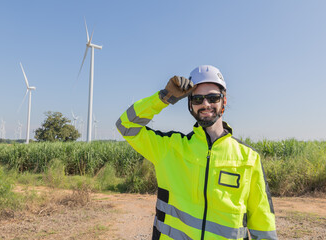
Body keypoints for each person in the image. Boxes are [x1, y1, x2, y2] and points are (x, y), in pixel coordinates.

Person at [116, 65, 277, 240]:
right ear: (190, 104)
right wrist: (163, 97)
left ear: (224, 100)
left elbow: (263, 224)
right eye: (198, 99)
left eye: (213, 97)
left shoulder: (248, 158)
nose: (205, 104)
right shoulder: (169, 148)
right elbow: (125, 125)